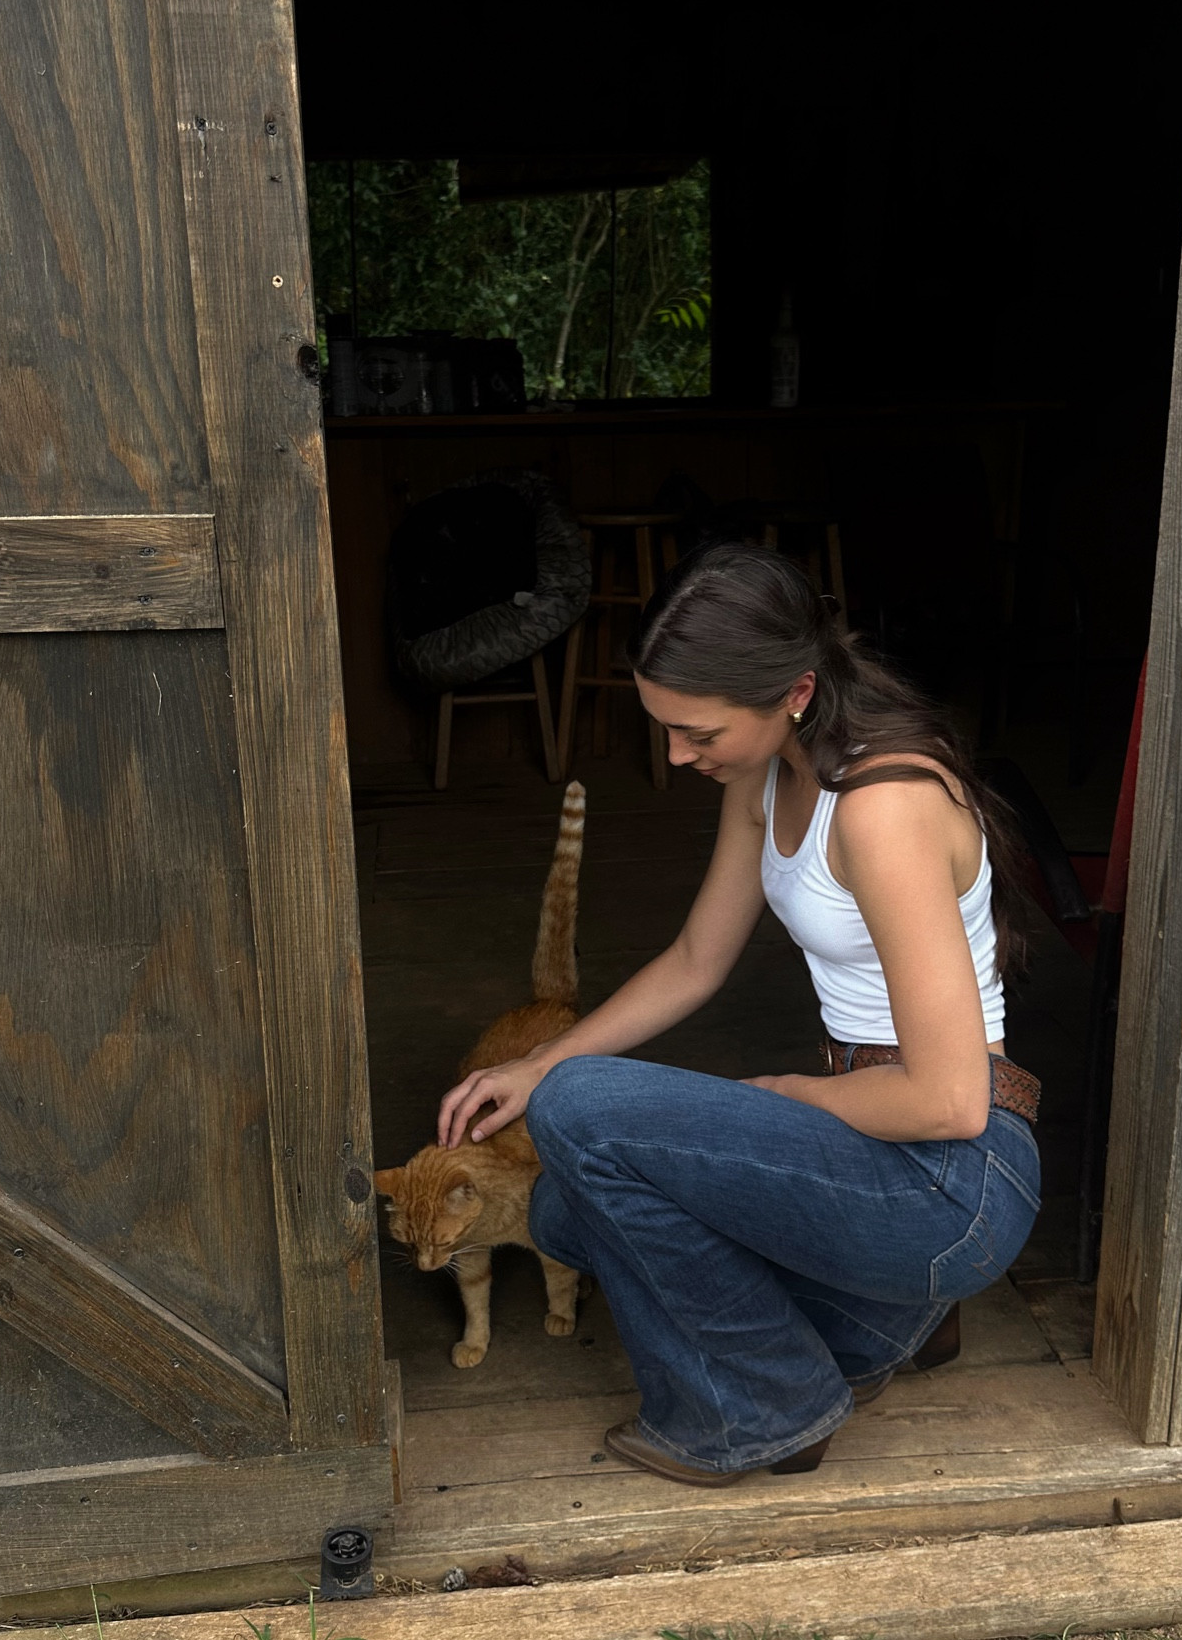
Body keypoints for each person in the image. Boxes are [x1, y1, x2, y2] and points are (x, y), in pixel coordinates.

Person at [436, 543, 1042, 1486]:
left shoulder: (884, 808)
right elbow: (692, 962)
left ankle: (761, 1406)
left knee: (582, 1113)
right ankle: (877, 1324)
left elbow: (952, 1102)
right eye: (666, 729)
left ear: (795, 691)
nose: (677, 757)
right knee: (562, 1205)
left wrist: (782, 1094)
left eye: (697, 732)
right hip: (874, 1146)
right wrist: (533, 1062)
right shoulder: (767, 777)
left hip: (952, 1177)